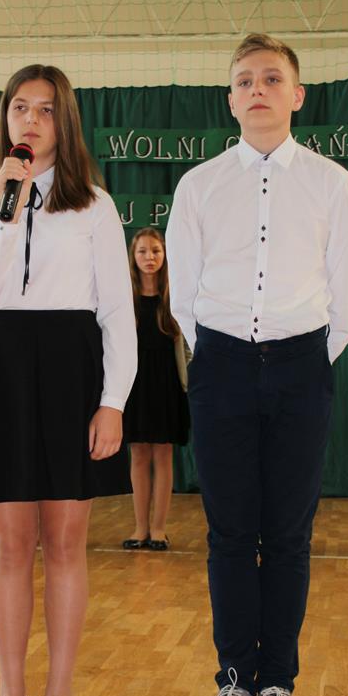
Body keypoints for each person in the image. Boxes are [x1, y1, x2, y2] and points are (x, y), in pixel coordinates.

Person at [166, 33, 348, 696]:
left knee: (287, 534)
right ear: (230, 99)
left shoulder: (333, 184)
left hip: (301, 364)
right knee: (228, 533)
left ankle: (277, 682)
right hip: (220, 365)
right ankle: (233, 683)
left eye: (272, 78)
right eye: (245, 79)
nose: (258, 89)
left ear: (296, 95)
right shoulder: (197, 186)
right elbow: (183, 292)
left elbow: (345, 292)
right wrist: (218, 356)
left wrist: (305, 357)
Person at [0, 65, 137, 696]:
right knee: (11, 544)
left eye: (46, 110)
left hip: (72, 370)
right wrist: (7, 211)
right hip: (0, 367)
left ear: (64, 122)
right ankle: (9, 694)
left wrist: (112, 402)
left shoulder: (95, 204)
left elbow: (116, 312)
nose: (30, 120)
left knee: (67, 543)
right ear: (4, 118)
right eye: (20, 107)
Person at [121, 227, 190, 552]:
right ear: (133, 257)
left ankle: (159, 529)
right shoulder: (125, 300)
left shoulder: (176, 298)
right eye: (143, 251)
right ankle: (140, 528)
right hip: (135, 384)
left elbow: (187, 347)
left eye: (156, 251)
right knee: (138, 453)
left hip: (166, 383)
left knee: (163, 453)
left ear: (165, 255)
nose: (150, 257)